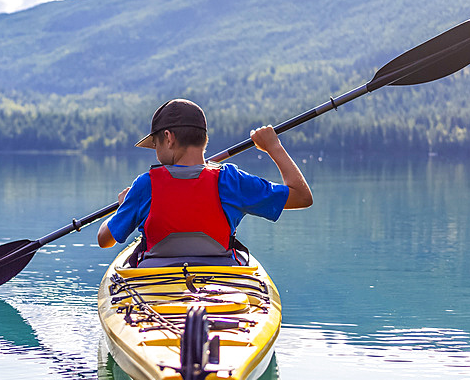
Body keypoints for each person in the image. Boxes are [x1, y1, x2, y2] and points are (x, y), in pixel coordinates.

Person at [97, 98, 312, 266]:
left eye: (156, 144)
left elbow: (105, 240)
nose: (156, 153)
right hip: (222, 284)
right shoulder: (230, 180)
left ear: (169, 138)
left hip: (154, 282)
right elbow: (302, 196)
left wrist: (124, 207)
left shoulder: (145, 186)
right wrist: (273, 146)